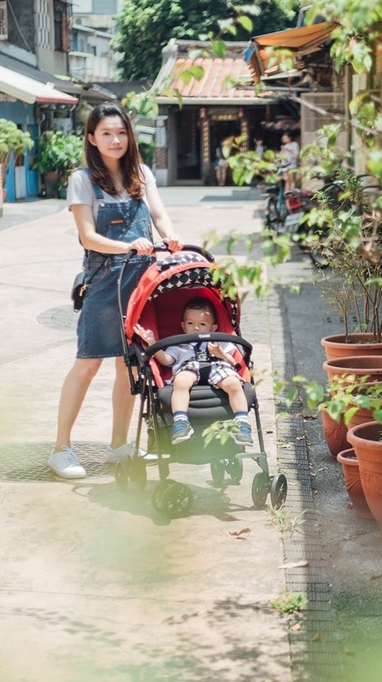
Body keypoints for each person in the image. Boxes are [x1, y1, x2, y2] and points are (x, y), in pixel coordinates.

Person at [49, 102, 180, 479]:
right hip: (105, 280)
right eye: (106, 133)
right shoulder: (82, 179)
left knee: (130, 367)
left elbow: (157, 215)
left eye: (121, 132)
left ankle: (120, 445)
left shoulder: (140, 172)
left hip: (143, 280)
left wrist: (170, 235)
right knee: (88, 364)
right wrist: (127, 246)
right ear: (91, 137)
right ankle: (61, 448)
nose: (115, 139)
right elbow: (88, 236)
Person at [132, 297, 253, 446]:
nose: (196, 328)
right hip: (189, 367)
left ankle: (241, 423)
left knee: (234, 383)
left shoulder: (220, 341)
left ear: (213, 328)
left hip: (218, 365)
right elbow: (166, 360)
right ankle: (181, 422)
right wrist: (152, 343)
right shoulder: (179, 344)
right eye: (190, 323)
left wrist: (220, 353)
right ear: (183, 326)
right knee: (181, 381)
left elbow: (234, 363)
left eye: (202, 324)